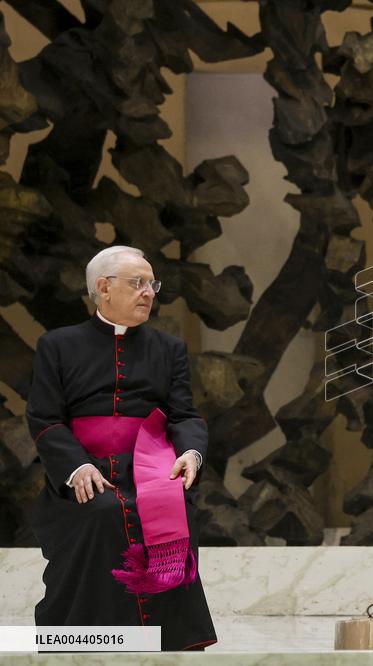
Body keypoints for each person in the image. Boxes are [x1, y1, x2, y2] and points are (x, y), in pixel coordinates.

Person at [27, 246, 216, 650]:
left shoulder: (169, 349)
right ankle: (84, 644)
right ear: (103, 288)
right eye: (138, 283)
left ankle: (168, 646)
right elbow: (45, 418)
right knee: (102, 514)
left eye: (152, 284)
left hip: (151, 469)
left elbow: (183, 415)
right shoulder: (57, 345)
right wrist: (76, 467)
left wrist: (190, 453)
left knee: (174, 509)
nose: (149, 292)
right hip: (85, 470)